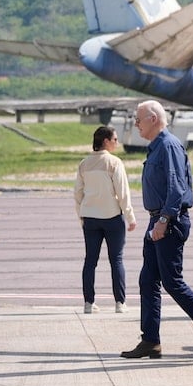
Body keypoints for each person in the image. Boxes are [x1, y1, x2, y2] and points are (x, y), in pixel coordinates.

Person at [121, 100, 193, 360]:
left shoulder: (168, 145)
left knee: (172, 281)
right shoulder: (157, 146)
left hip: (167, 222)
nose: (136, 124)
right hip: (157, 220)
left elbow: (176, 187)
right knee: (148, 281)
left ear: (152, 118)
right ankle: (150, 340)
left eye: (138, 119)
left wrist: (164, 220)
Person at [74, 125, 138, 315]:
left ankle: (88, 303)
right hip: (112, 218)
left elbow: (78, 193)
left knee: (90, 261)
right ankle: (119, 302)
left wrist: (81, 216)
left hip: (90, 218)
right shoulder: (114, 163)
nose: (117, 142)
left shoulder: (84, 164)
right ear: (106, 141)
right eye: (115, 139)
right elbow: (123, 192)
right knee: (116, 260)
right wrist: (130, 216)